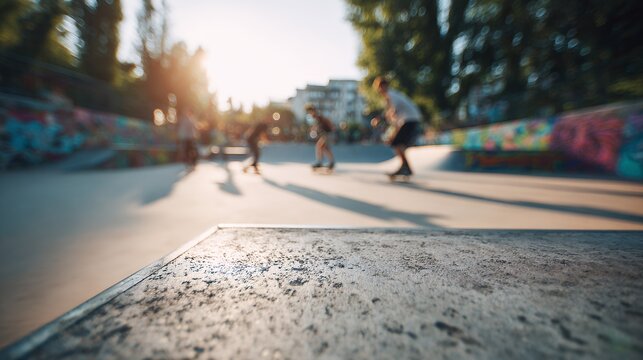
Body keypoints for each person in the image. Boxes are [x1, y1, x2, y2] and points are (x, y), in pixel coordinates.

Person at [373, 76, 422, 177]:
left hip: (410, 120)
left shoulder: (391, 95)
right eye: (379, 88)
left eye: (381, 87)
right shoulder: (392, 96)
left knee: (396, 142)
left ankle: (405, 167)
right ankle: (405, 167)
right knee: (398, 143)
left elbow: (393, 113)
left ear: (385, 86)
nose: (380, 91)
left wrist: (380, 120)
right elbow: (392, 115)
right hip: (410, 120)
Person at [305, 104, 335, 170]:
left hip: (327, 134)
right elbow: (317, 125)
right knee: (324, 148)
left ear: (312, 111)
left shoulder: (317, 116)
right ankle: (331, 162)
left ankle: (320, 162)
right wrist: (313, 129)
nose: (309, 114)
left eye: (309, 112)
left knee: (319, 146)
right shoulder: (317, 116)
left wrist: (314, 129)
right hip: (326, 134)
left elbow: (321, 124)